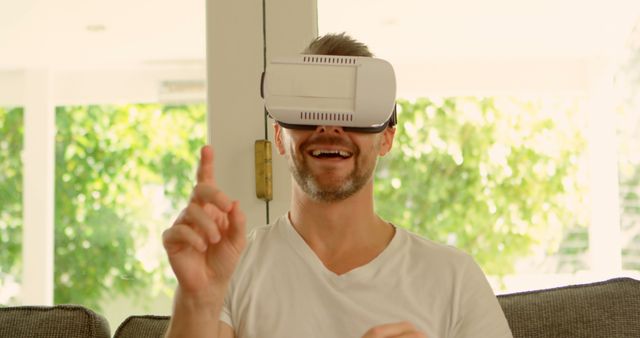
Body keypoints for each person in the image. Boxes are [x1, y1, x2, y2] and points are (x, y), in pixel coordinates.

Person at [162, 33, 513, 338]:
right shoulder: (231, 268)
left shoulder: (453, 278)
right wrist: (198, 301)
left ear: (387, 138)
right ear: (279, 138)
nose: (330, 128)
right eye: (310, 110)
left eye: (351, 113)